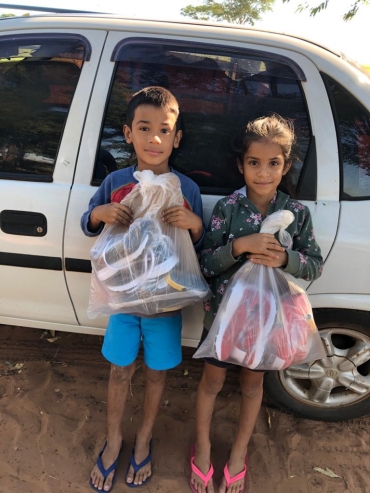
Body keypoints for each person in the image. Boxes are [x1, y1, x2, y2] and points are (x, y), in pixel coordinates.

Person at [190, 114, 323, 493]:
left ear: (285, 166)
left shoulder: (296, 214)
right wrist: (238, 247)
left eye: (273, 163)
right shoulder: (228, 208)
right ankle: (201, 449)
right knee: (212, 381)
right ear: (241, 164)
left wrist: (285, 260)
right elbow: (205, 264)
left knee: (252, 385)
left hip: (269, 321)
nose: (262, 173)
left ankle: (238, 454)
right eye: (253, 163)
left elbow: (314, 265)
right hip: (224, 317)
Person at [81, 86, 205, 492]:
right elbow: (90, 222)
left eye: (164, 130)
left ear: (177, 137)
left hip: (166, 306)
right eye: (144, 128)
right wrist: (100, 212)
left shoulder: (186, 189)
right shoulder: (117, 181)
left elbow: (197, 243)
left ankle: (145, 437)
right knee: (120, 371)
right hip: (123, 302)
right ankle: (115, 437)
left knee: (156, 374)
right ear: (127, 133)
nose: (154, 138)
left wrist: (194, 225)